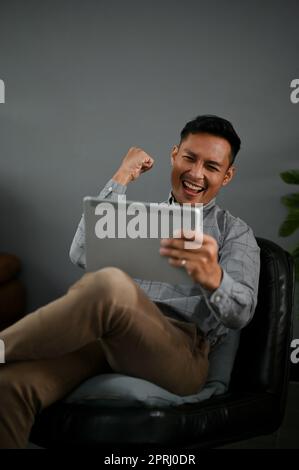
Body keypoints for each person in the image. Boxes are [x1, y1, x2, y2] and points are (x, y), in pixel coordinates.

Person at [0, 115, 260, 448]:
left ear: (227, 175)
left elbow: (241, 313)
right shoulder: (143, 217)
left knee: (110, 284)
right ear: (174, 155)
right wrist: (121, 177)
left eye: (211, 166)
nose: (195, 174)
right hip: (109, 340)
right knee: (9, 387)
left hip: (179, 354)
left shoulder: (234, 233)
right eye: (189, 158)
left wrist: (213, 278)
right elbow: (81, 252)